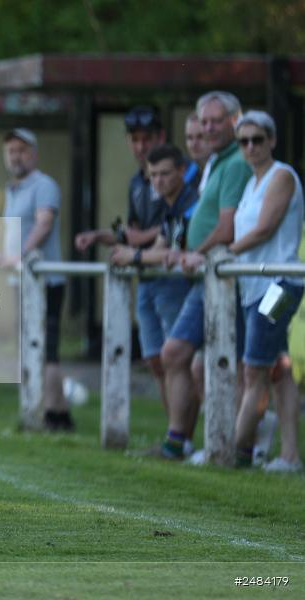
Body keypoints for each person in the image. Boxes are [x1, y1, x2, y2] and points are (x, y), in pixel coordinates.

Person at [159, 91, 252, 460]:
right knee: (185, 358)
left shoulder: (236, 163)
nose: (209, 128)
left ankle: (240, 446)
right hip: (206, 276)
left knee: (239, 366)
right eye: (205, 121)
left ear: (235, 120)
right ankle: (188, 442)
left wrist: (194, 255)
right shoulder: (215, 162)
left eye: (216, 121)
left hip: (225, 275)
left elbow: (228, 228)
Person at [226, 111, 304, 471]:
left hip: (278, 285)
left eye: (258, 139)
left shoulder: (281, 175)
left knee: (254, 369)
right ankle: (288, 454)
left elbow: (265, 229)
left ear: (272, 140)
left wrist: (223, 257)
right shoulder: (250, 184)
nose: (251, 147)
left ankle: (235, 450)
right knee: (279, 368)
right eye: (244, 141)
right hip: (254, 286)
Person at [0, 128, 73, 431]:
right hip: (21, 281)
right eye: (11, 151)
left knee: (45, 347)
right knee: (29, 346)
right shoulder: (11, 190)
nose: (16, 156)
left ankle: (49, 412)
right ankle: (58, 413)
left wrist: (18, 258)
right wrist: (4, 256)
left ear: (34, 154)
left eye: (22, 150)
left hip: (45, 280)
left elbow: (44, 225)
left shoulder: (44, 185)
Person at [110, 144, 197, 424]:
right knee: (160, 361)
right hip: (157, 284)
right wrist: (133, 254)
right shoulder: (170, 207)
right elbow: (161, 247)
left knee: (181, 361)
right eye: (153, 175)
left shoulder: (190, 201)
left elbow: (173, 254)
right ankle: (176, 436)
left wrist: (133, 255)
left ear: (182, 171)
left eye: (165, 174)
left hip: (185, 289)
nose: (158, 181)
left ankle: (182, 437)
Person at [75, 106, 167, 252]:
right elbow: (131, 232)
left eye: (147, 139)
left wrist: (142, 237)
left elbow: (184, 222)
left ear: (161, 137)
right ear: (127, 140)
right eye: (134, 140)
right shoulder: (135, 182)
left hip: (175, 269)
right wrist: (97, 235)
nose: (140, 147)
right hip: (146, 270)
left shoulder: (179, 172)